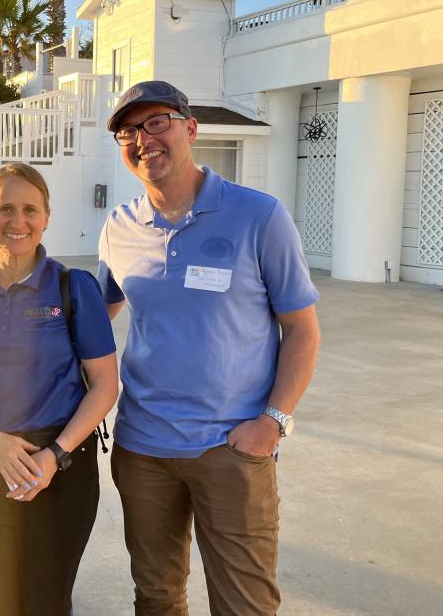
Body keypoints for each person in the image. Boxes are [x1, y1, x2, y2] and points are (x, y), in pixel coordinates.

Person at [97, 81, 322, 615]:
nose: (142, 139)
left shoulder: (259, 216)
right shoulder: (119, 227)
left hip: (231, 447)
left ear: (190, 128)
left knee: (244, 603)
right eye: (128, 130)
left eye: (157, 122)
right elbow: (95, 320)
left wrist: (273, 420)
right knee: (155, 597)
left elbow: (303, 330)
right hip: (143, 448)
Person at [0, 163, 119, 616]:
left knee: (44, 599)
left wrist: (51, 457)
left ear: (47, 216)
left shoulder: (73, 287)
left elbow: (104, 386)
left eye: (30, 210)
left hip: (58, 469)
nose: (18, 222)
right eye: (5, 209)